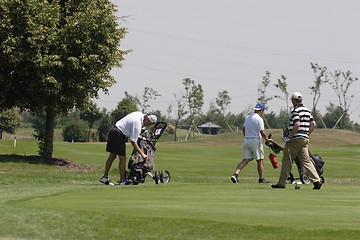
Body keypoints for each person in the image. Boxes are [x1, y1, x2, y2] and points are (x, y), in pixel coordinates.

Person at [271, 92, 322, 190]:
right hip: (304, 139)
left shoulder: (295, 111)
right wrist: (306, 134)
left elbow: (297, 124)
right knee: (306, 160)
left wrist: (289, 136)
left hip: (294, 139)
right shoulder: (307, 111)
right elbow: (313, 124)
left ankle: (281, 183)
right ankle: (316, 180)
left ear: (294, 101)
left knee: (287, 160)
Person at [100, 112, 157, 185]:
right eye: (149, 123)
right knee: (122, 158)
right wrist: (142, 154)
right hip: (118, 134)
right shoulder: (137, 124)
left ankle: (105, 177)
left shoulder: (139, 114)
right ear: (146, 118)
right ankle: (123, 181)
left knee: (112, 156)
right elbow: (133, 142)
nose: (148, 125)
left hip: (113, 130)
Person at [231, 102, 271, 184]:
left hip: (246, 140)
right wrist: (267, 139)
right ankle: (261, 179)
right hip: (255, 141)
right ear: (262, 110)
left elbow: (243, 129)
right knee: (260, 160)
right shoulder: (259, 119)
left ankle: (235, 174)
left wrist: (247, 137)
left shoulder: (248, 117)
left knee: (245, 160)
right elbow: (262, 132)